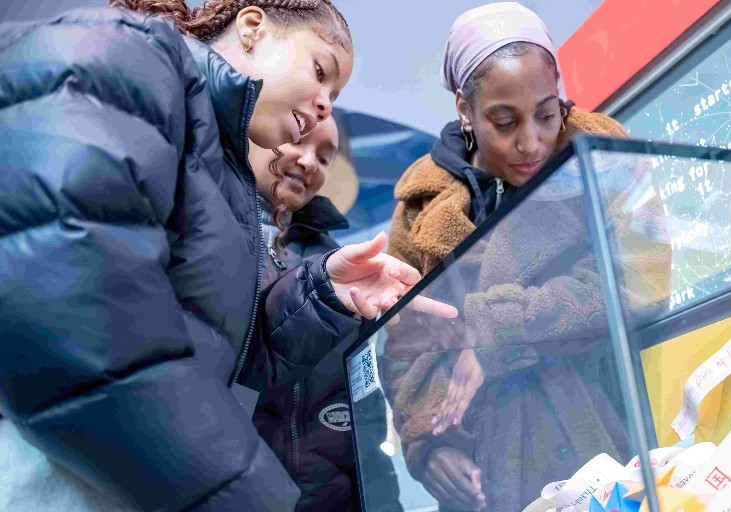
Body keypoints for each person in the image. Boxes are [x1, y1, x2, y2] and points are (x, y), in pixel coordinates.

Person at [0, 2, 454, 511]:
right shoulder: (126, 54)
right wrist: (249, 497)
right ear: (252, 26)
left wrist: (321, 295)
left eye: (335, 95)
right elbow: (71, 313)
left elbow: (222, 360)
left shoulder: (222, 183)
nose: (325, 106)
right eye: (321, 71)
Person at [380, 3, 670, 511]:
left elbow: (640, 283)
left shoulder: (602, 153)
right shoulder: (418, 205)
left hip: (603, 438)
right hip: (486, 465)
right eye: (504, 121)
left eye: (546, 112)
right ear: (464, 110)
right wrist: (428, 446)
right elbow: (403, 344)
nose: (531, 142)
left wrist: (494, 329)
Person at [246, 116, 403, 512]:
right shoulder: (207, 233)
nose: (310, 161)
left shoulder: (338, 265)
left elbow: (362, 412)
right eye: (297, 139)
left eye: (325, 156)